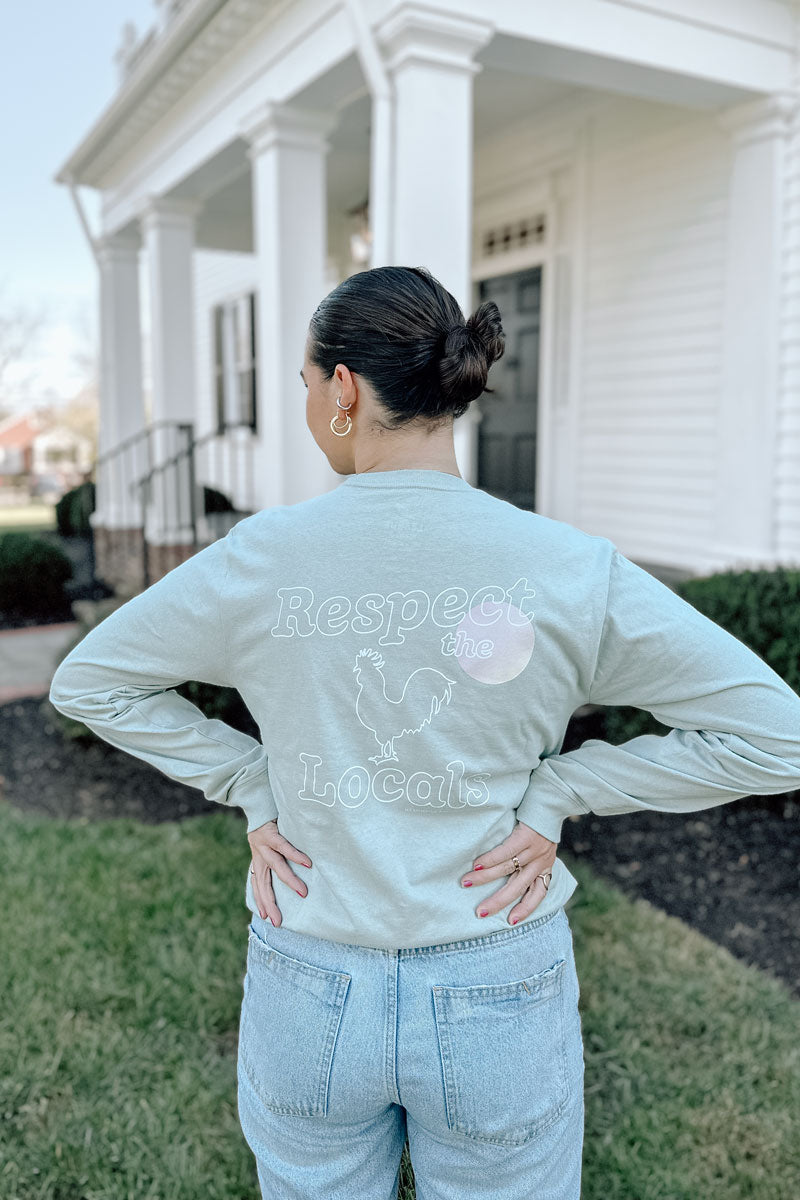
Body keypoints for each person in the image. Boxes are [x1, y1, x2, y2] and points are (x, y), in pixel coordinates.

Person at [49, 264, 800, 1200]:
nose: (308, 401)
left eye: (305, 383)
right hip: (498, 976)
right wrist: (565, 789)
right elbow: (778, 735)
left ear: (344, 390)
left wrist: (249, 781)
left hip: (310, 971)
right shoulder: (569, 568)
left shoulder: (259, 561)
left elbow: (92, 683)